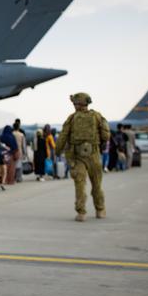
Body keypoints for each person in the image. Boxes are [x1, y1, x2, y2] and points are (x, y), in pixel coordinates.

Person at [55, 92, 110, 222]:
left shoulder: (72, 118)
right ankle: (100, 210)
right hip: (94, 154)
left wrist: (57, 151)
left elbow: (63, 136)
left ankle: (81, 213)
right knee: (97, 184)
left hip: (77, 156)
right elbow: (106, 136)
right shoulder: (97, 116)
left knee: (80, 184)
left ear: (78, 104)